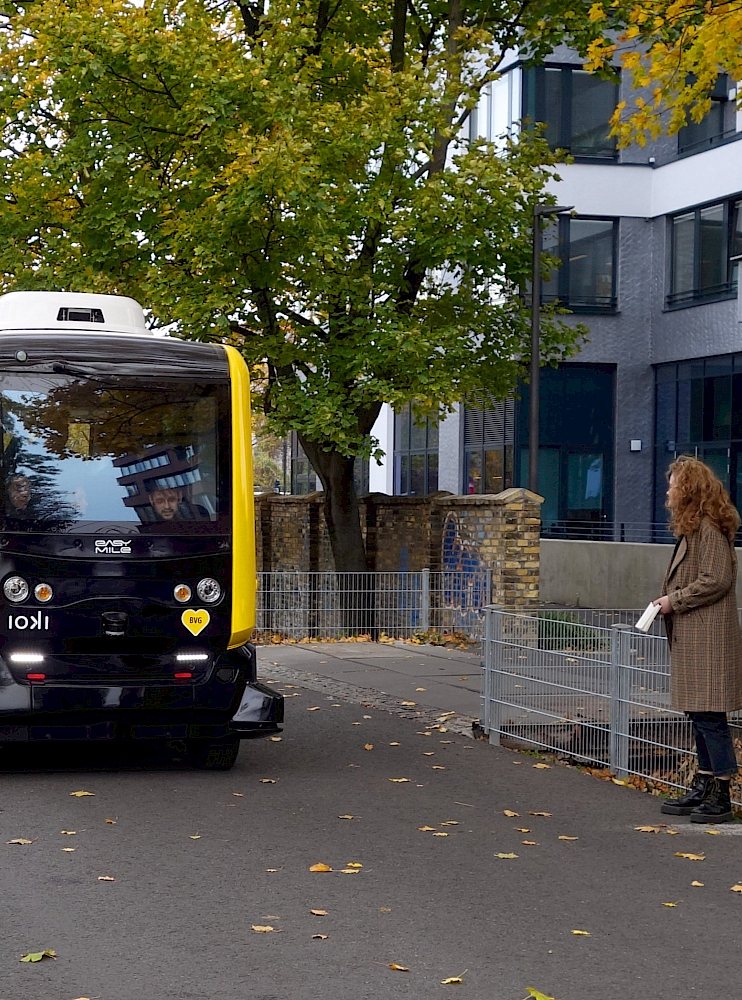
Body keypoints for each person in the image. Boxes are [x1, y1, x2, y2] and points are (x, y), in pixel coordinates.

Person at [655, 456, 742, 823]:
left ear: (688, 488)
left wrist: (673, 601)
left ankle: (720, 792)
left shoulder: (708, 528)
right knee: (698, 713)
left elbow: (716, 579)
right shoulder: (695, 527)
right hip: (696, 636)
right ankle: (705, 784)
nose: (668, 490)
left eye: (673, 483)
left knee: (710, 716)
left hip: (708, 637)